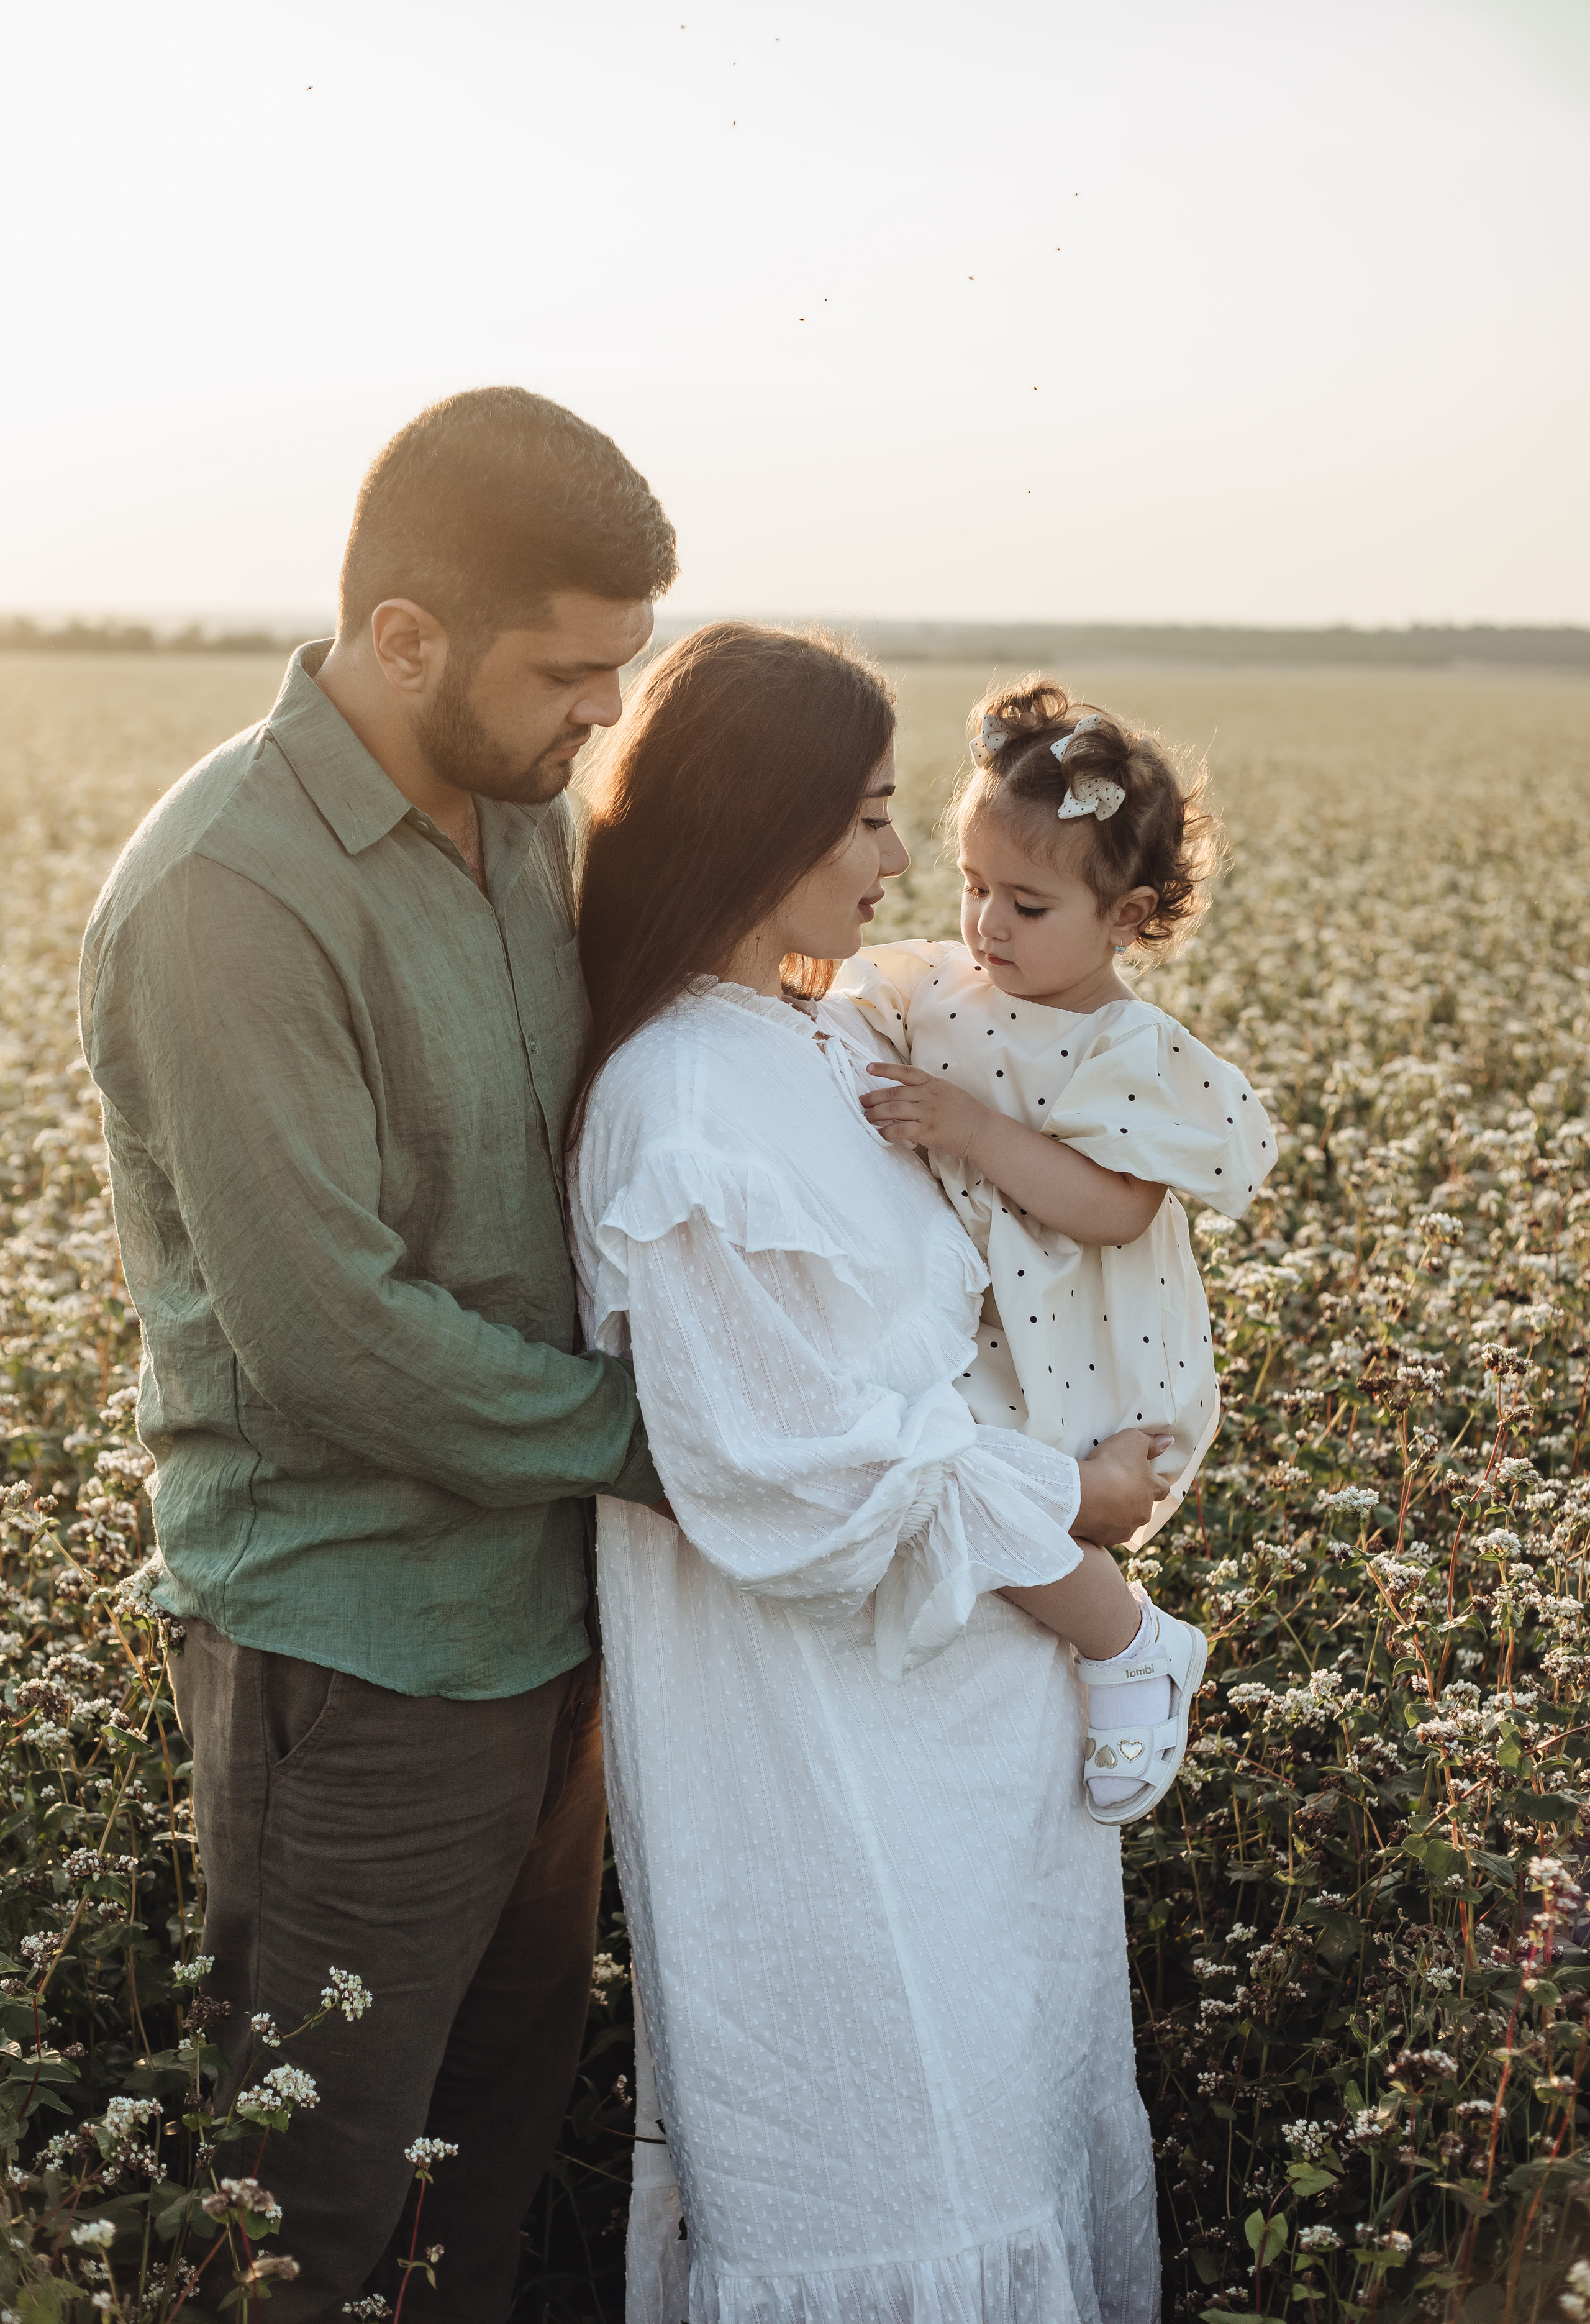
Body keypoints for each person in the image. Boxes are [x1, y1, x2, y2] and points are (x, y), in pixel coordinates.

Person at [78, 388, 677, 2318]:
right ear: (404, 638)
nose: (607, 713)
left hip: (548, 1629)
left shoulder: (524, 816)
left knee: (472, 2200)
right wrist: (679, 1442)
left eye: (624, 666)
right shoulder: (229, 893)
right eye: (570, 671)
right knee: (309, 2227)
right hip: (354, 1659)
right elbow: (333, 1342)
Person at [569, 623, 1166, 2324]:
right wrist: (1068, 1512)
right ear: (757, 825)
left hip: (970, 1745)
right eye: (869, 818)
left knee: (1003, 2153)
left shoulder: (816, 1039)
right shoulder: (677, 1098)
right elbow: (790, 1476)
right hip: (817, 1759)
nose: (901, 863)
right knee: (882, 2180)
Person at [837, 680, 1274, 1820]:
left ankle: (1132, 1646)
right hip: (972, 1318)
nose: (987, 924)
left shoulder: (1130, 1046)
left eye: (1027, 905)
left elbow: (1115, 1210)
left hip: (1074, 1334)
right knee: (951, 1477)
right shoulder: (939, 986)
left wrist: (974, 1131)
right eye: (973, 886)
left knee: (1002, 1488)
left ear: (1127, 916)